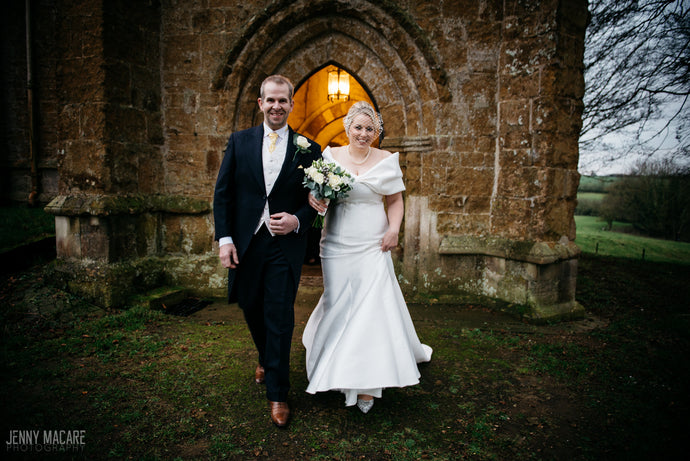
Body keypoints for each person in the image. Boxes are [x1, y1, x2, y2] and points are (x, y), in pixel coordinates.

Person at [302, 101, 432, 413]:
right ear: (348, 128)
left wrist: (394, 230)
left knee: (370, 308)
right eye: (358, 127)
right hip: (335, 241)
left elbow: (395, 200)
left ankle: (366, 384)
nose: (363, 133)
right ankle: (334, 362)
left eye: (370, 128)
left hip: (373, 241)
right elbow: (318, 193)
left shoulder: (386, 160)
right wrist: (314, 197)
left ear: (377, 132)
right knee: (339, 303)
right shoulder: (330, 157)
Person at [213, 75, 321, 427]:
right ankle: (264, 355)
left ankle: (277, 393)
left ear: (292, 104)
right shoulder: (239, 142)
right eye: (270, 100)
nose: (277, 106)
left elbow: (319, 202)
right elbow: (223, 193)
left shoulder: (309, 148)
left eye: (283, 101)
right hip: (247, 242)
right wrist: (225, 239)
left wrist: (297, 220)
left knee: (279, 315)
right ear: (260, 103)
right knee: (250, 305)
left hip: (284, 246)